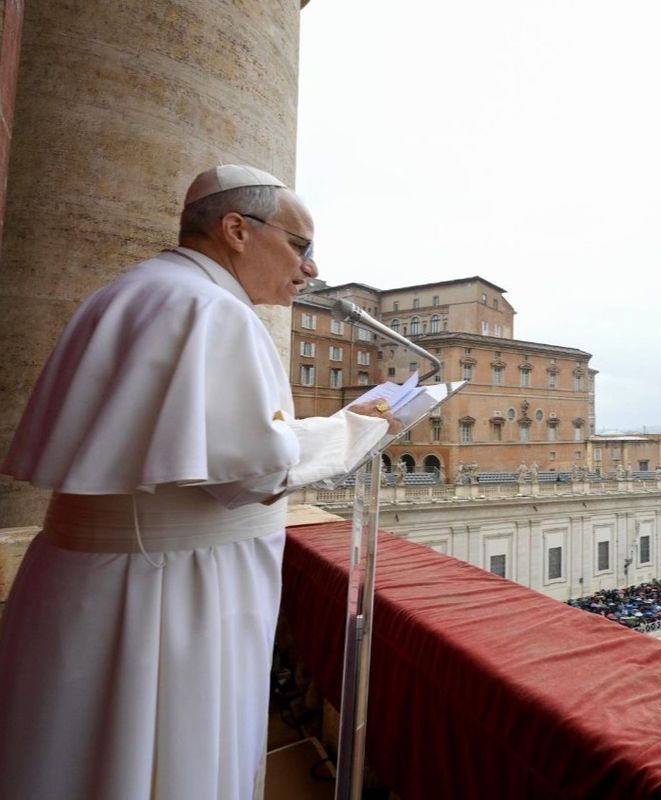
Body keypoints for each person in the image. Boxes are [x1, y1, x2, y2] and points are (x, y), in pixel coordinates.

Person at [0, 165, 401, 799]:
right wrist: (357, 429)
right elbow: (253, 471)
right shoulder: (214, 310)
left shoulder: (131, 291)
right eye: (301, 246)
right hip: (166, 593)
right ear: (237, 230)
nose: (312, 269)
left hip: (92, 582)